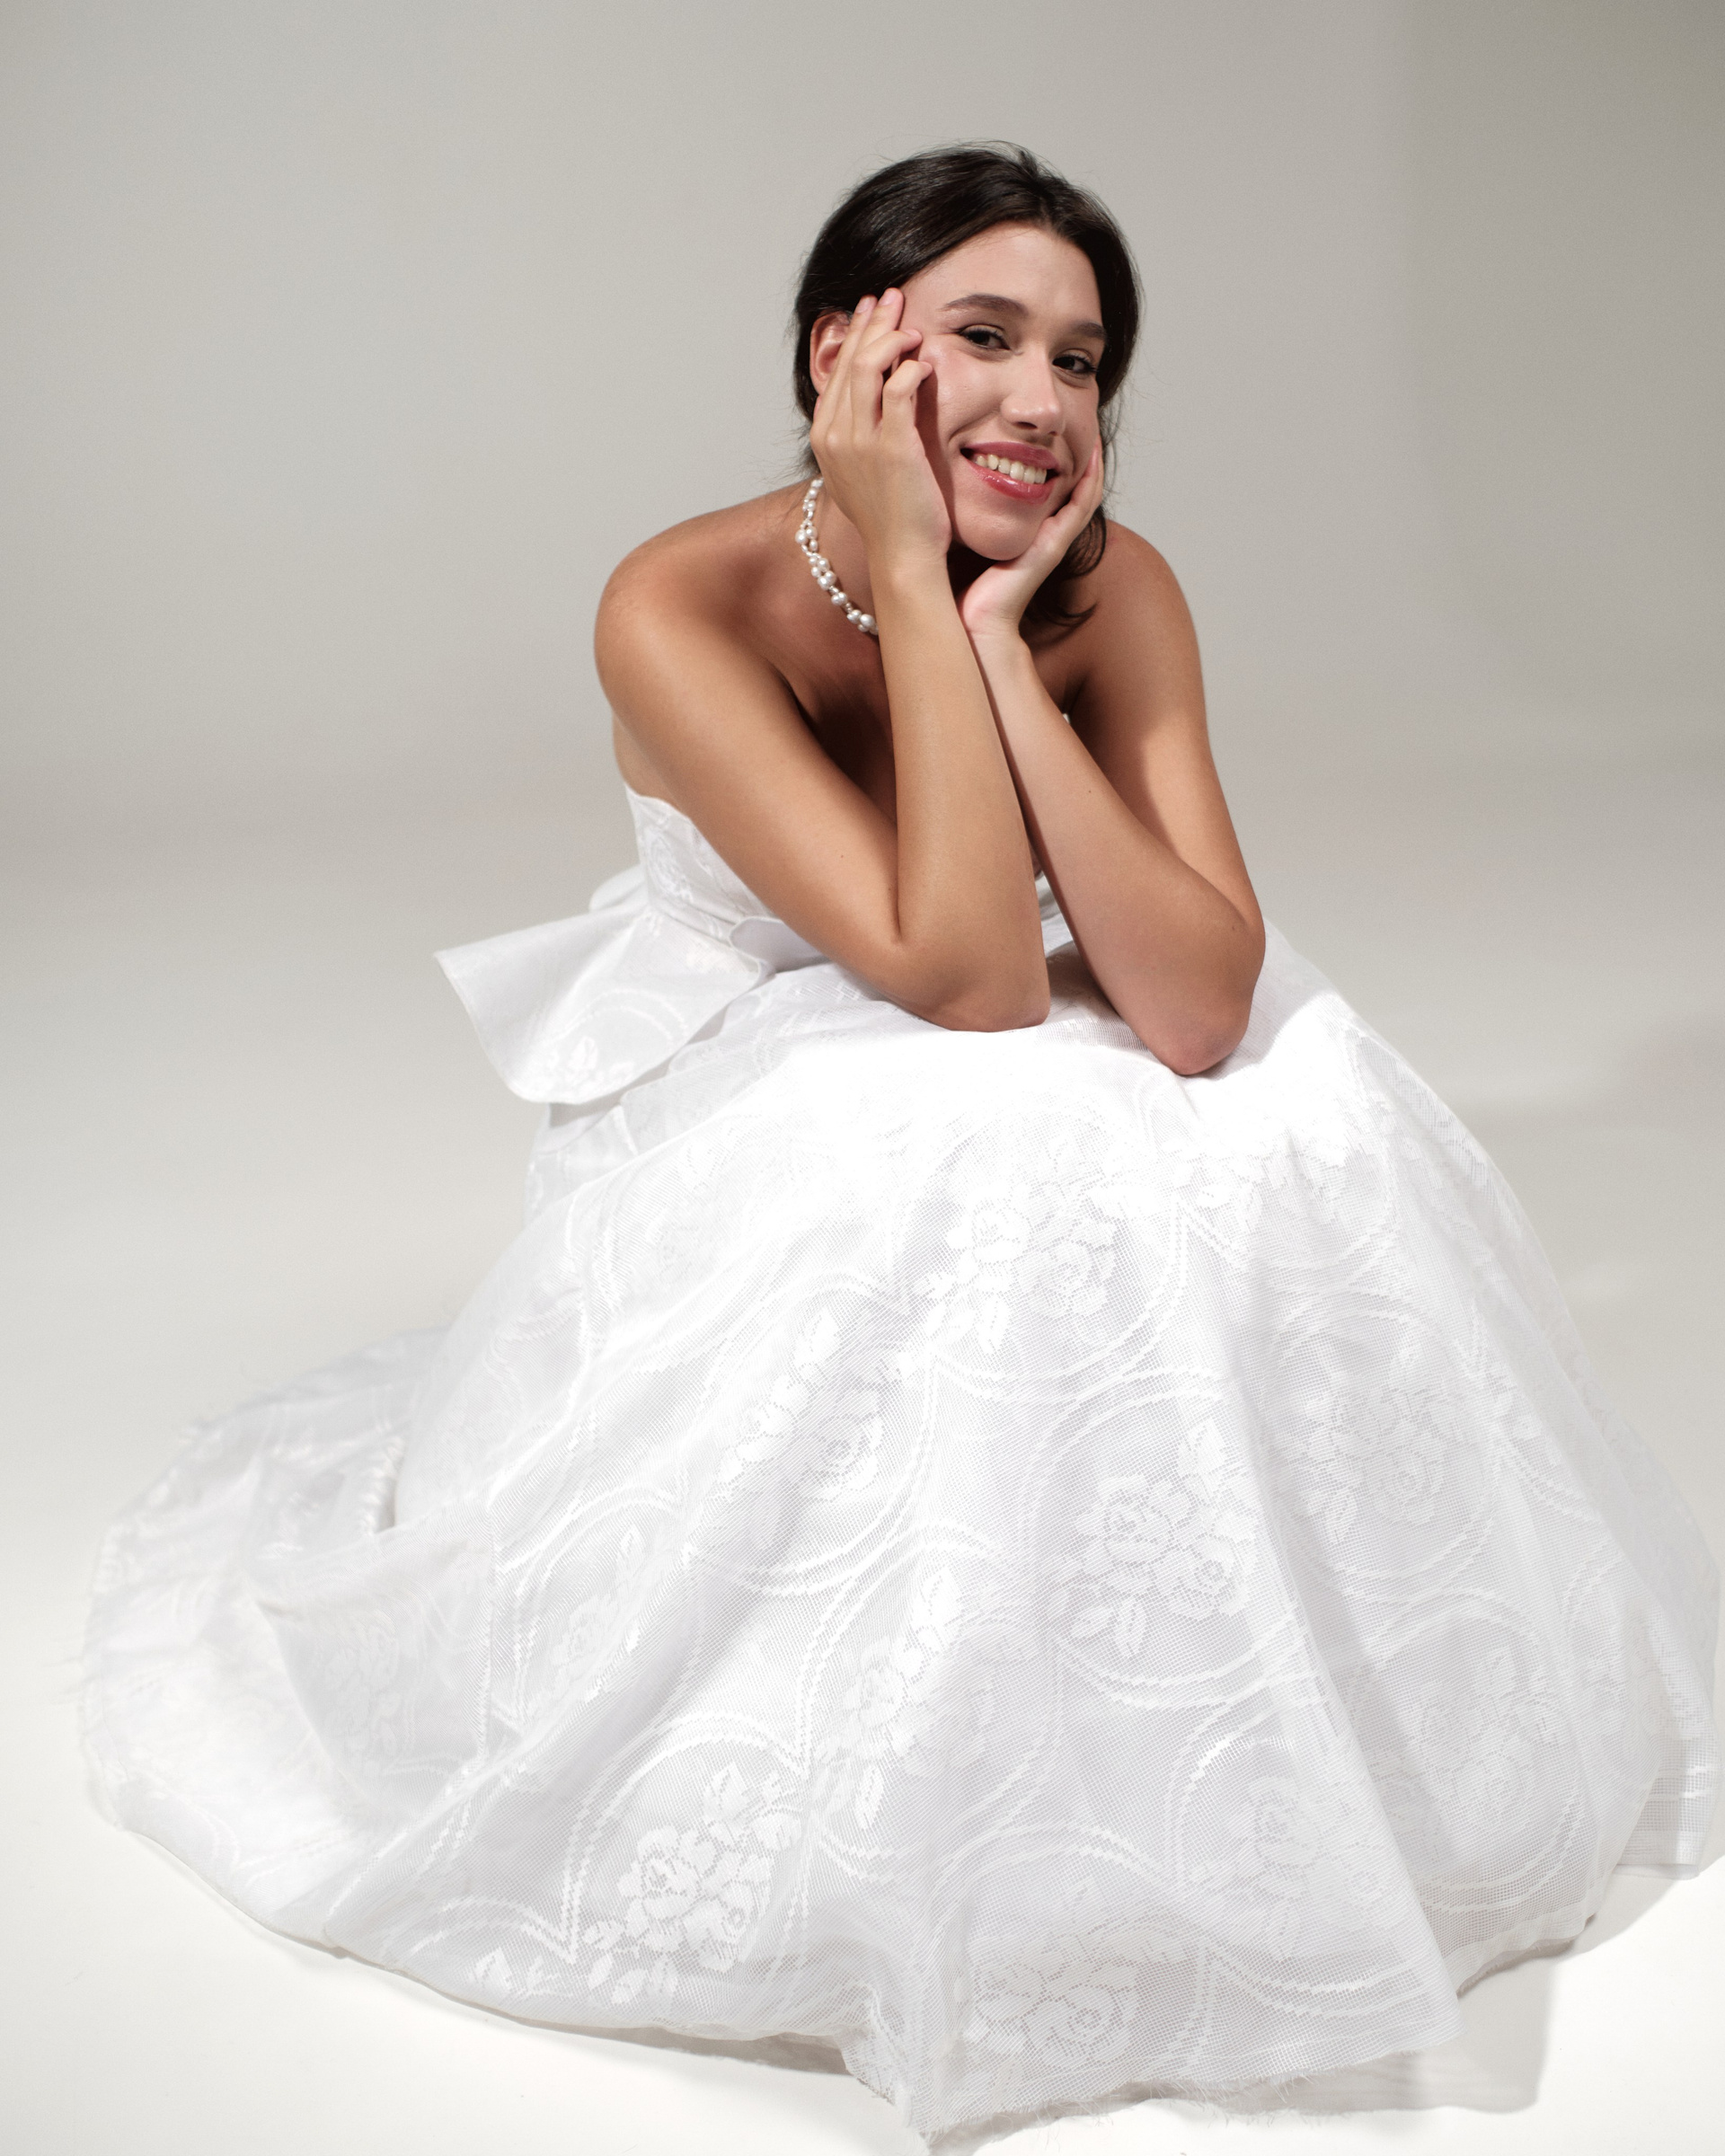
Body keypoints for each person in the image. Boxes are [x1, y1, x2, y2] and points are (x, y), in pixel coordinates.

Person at [86, 145, 1718, 2146]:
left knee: (1306, 1103)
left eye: (1084, 361)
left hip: (986, 1022)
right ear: (841, 360)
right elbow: (961, 973)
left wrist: (1006, 644)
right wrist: (909, 567)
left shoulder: (1120, 591)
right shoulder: (679, 601)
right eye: (985, 338)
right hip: (767, 1071)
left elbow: (1198, 999)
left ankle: (1181, 1733)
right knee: (988, 1149)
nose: (1047, 400)